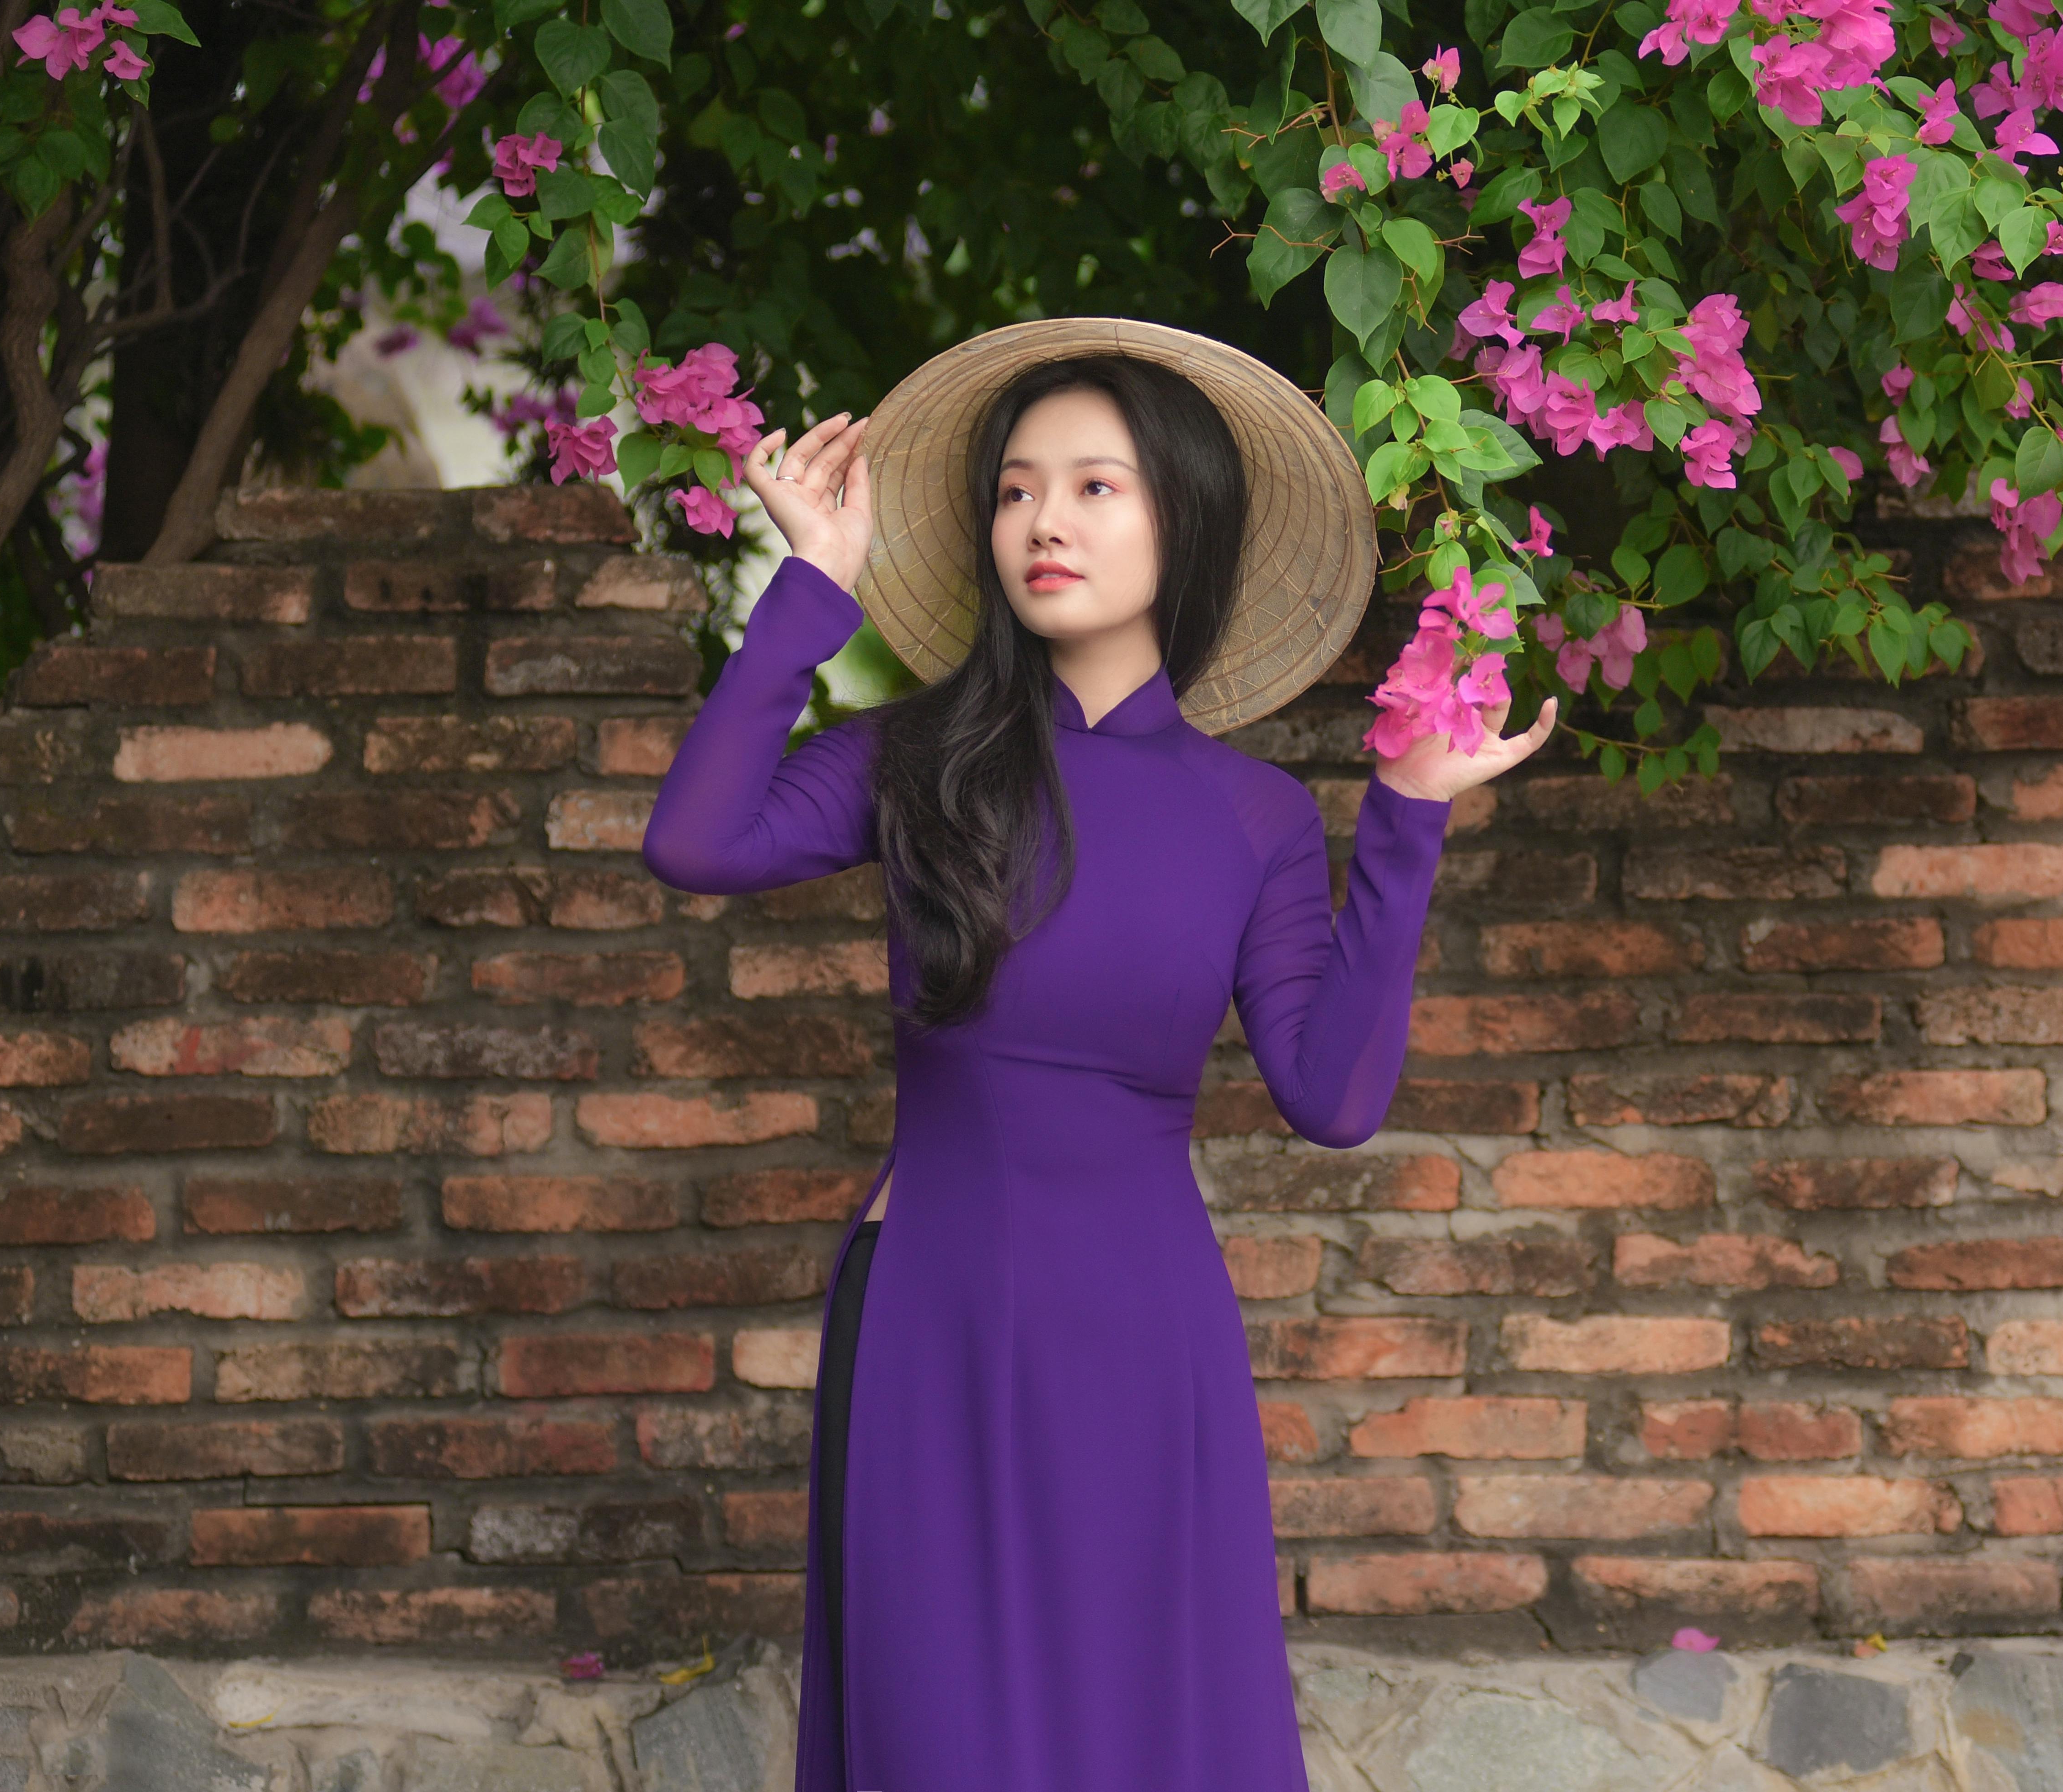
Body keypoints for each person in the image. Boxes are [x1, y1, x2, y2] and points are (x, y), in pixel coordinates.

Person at [640, 318, 1555, 1792]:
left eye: (1093, 487)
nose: (1043, 522)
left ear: (1181, 520)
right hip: (934, 1305)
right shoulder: (917, 758)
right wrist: (813, 588)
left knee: (1152, 1736)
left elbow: (1334, 1099)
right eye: (1014, 490)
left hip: (1146, 1338)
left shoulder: (1254, 817)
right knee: (938, 1733)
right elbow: (693, 842)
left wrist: (1406, 818)